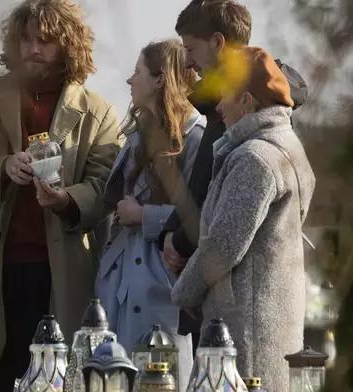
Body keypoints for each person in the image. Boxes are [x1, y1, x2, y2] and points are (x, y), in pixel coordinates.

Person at [0, 0, 120, 390]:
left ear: (68, 46)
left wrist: (65, 200)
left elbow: (104, 188)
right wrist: (2, 168)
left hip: (61, 273)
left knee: (56, 378)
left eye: (46, 41)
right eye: (26, 39)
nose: (33, 49)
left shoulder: (98, 112)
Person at [157, 0, 309, 352]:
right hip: (212, 291)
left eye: (191, 49)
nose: (189, 62)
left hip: (241, 308)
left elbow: (229, 221)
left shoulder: (256, 130)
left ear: (218, 43)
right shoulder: (228, 107)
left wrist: (180, 247)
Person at [171, 47, 315, 392]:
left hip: (247, 330)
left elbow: (223, 244)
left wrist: (184, 293)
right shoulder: (285, 146)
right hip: (267, 318)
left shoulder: (254, 158)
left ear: (247, 101)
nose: (219, 107)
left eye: (225, 97)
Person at [95, 40, 205, 390]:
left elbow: (205, 213)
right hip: (120, 294)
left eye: (137, 72)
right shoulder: (135, 139)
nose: (129, 81)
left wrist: (146, 216)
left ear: (160, 80)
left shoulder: (197, 139)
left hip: (165, 292)